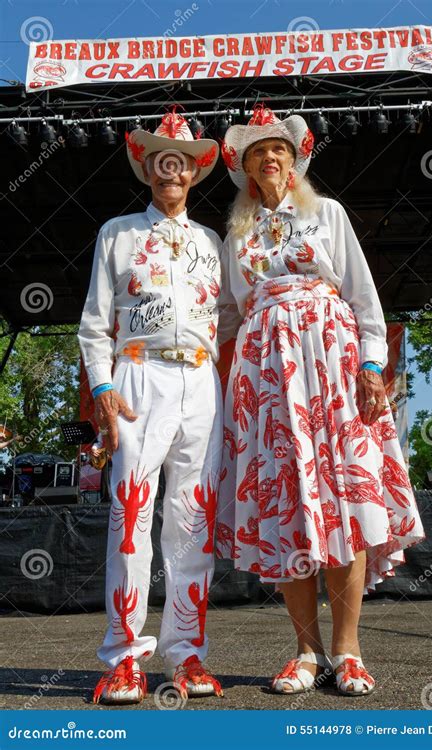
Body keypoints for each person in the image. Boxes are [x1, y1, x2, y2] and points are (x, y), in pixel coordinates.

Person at [216, 104, 426, 696]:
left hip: (332, 368)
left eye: (278, 149)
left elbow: (362, 298)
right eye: (258, 153)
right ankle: (306, 651)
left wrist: (370, 365)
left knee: (343, 500)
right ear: (248, 169)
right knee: (290, 508)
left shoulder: (326, 214)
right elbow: (228, 318)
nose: (270, 158)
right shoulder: (238, 234)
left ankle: (348, 650)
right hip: (268, 380)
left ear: (294, 159)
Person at [79, 108, 235, 704]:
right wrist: (101, 386)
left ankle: (186, 654)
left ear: (195, 172)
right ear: (147, 168)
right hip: (138, 376)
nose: (171, 170)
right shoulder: (117, 232)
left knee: (192, 519)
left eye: (183, 161)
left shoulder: (211, 240)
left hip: (200, 383)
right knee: (130, 518)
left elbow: (226, 322)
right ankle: (124, 656)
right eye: (160, 159)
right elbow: (95, 324)